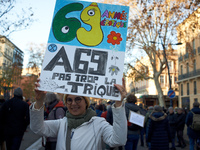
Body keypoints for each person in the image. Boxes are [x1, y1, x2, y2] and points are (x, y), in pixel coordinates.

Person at [30, 78, 127, 149]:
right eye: (69, 100)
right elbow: (37, 128)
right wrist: (39, 102)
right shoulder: (61, 123)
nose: (73, 104)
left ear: (86, 103)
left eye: (78, 99)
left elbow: (118, 140)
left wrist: (118, 104)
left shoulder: (99, 123)